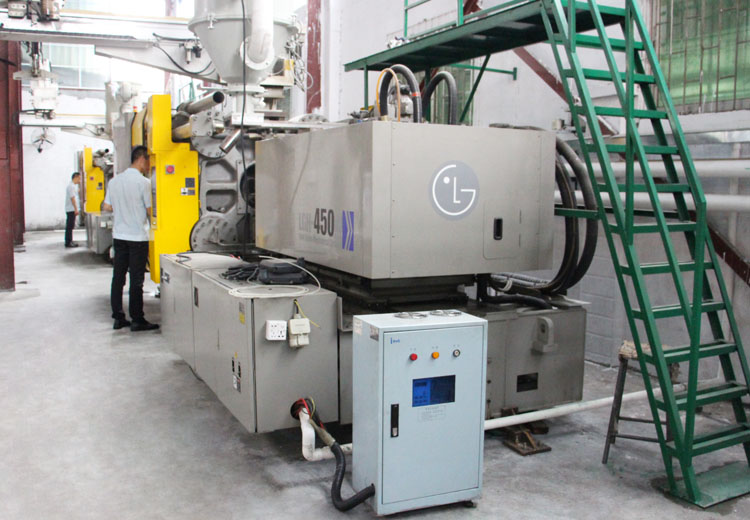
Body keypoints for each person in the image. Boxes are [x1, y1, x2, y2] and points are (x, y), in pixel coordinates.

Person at [102, 146, 159, 332]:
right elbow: (150, 210)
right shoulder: (144, 183)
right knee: (136, 280)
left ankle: (118, 317)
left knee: (118, 278)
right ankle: (137, 319)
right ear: (142, 159)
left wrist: (122, 209)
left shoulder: (114, 181)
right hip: (137, 237)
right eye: (149, 161)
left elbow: (107, 206)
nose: (149, 165)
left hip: (119, 236)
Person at [64, 172, 81, 247]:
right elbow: (72, 198)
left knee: (70, 226)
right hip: (71, 209)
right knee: (70, 226)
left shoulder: (72, 186)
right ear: (75, 177)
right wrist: (76, 209)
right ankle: (68, 242)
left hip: (71, 209)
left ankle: (69, 241)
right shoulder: (71, 186)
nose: (79, 180)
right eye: (79, 178)